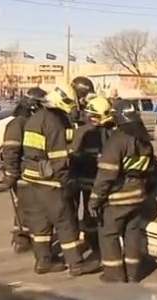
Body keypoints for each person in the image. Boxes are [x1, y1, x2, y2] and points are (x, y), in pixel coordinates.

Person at [21, 83, 101, 276]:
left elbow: (48, 142)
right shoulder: (54, 121)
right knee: (66, 222)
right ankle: (76, 264)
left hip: (32, 179)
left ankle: (43, 262)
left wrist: (80, 131)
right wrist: (65, 179)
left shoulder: (36, 119)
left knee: (41, 223)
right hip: (51, 182)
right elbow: (58, 156)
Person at [89, 102, 154, 283]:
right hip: (138, 196)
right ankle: (133, 273)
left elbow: (106, 176)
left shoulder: (117, 140)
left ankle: (114, 275)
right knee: (132, 233)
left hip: (117, 199)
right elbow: (150, 169)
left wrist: (95, 200)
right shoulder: (144, 139)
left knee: (108, 234)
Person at [2, 87, 47, 254]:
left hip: (33, 172)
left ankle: (26, 239)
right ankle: (22, 239)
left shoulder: (33, 122)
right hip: (22, 173)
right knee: (26, 209)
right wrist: (11, 175)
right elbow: (11, 151)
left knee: (28, 208)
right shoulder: (18, 123)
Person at [70, 95, 114, 251]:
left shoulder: (80, 130)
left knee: (75, 212)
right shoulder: (105, 133)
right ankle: (92, 241)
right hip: (93, 180)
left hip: (78, 179)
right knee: (92, 212)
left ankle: (78, 240)